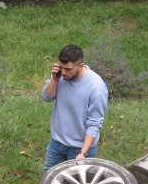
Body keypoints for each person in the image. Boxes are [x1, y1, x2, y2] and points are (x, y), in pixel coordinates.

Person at [40, 44, 109, 172]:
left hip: (80, 148)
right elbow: (47, 97)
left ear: (81, 65)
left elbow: (94, 123)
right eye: (61, 67)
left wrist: (83, 153)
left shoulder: (96, 87)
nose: (64, 72)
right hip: (57, 142)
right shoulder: (60, 75)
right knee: (48, 178)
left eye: (68, 69)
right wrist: (55, 79)